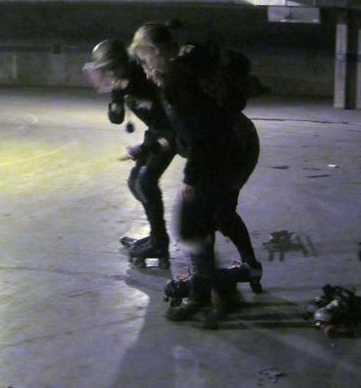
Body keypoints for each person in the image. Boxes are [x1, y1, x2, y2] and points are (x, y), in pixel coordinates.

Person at [128, 23, 263, 326]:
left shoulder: (179, 77)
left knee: (193, 223)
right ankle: (205, 294)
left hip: (226, 154)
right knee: (197, 225)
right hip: (225, 150)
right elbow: (183, 129)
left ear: (155, 51)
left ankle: (222, 296)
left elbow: (199, 133)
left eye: (145, 59)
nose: (146, 68)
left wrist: (190, 178)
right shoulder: (182, 70)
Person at [87, 39, 177, 268]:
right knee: (135, 182)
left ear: (122, 63)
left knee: (145, 182)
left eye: (112, 68)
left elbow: (170, 120)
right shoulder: (120, 83)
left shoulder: (145, 76)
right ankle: (157, 236)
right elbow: (117, 119)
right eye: (106, 70)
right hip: (155, 131)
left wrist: (143, 148)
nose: (109, 74)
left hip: (172, 133)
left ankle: (159, 241)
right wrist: (115, 102)